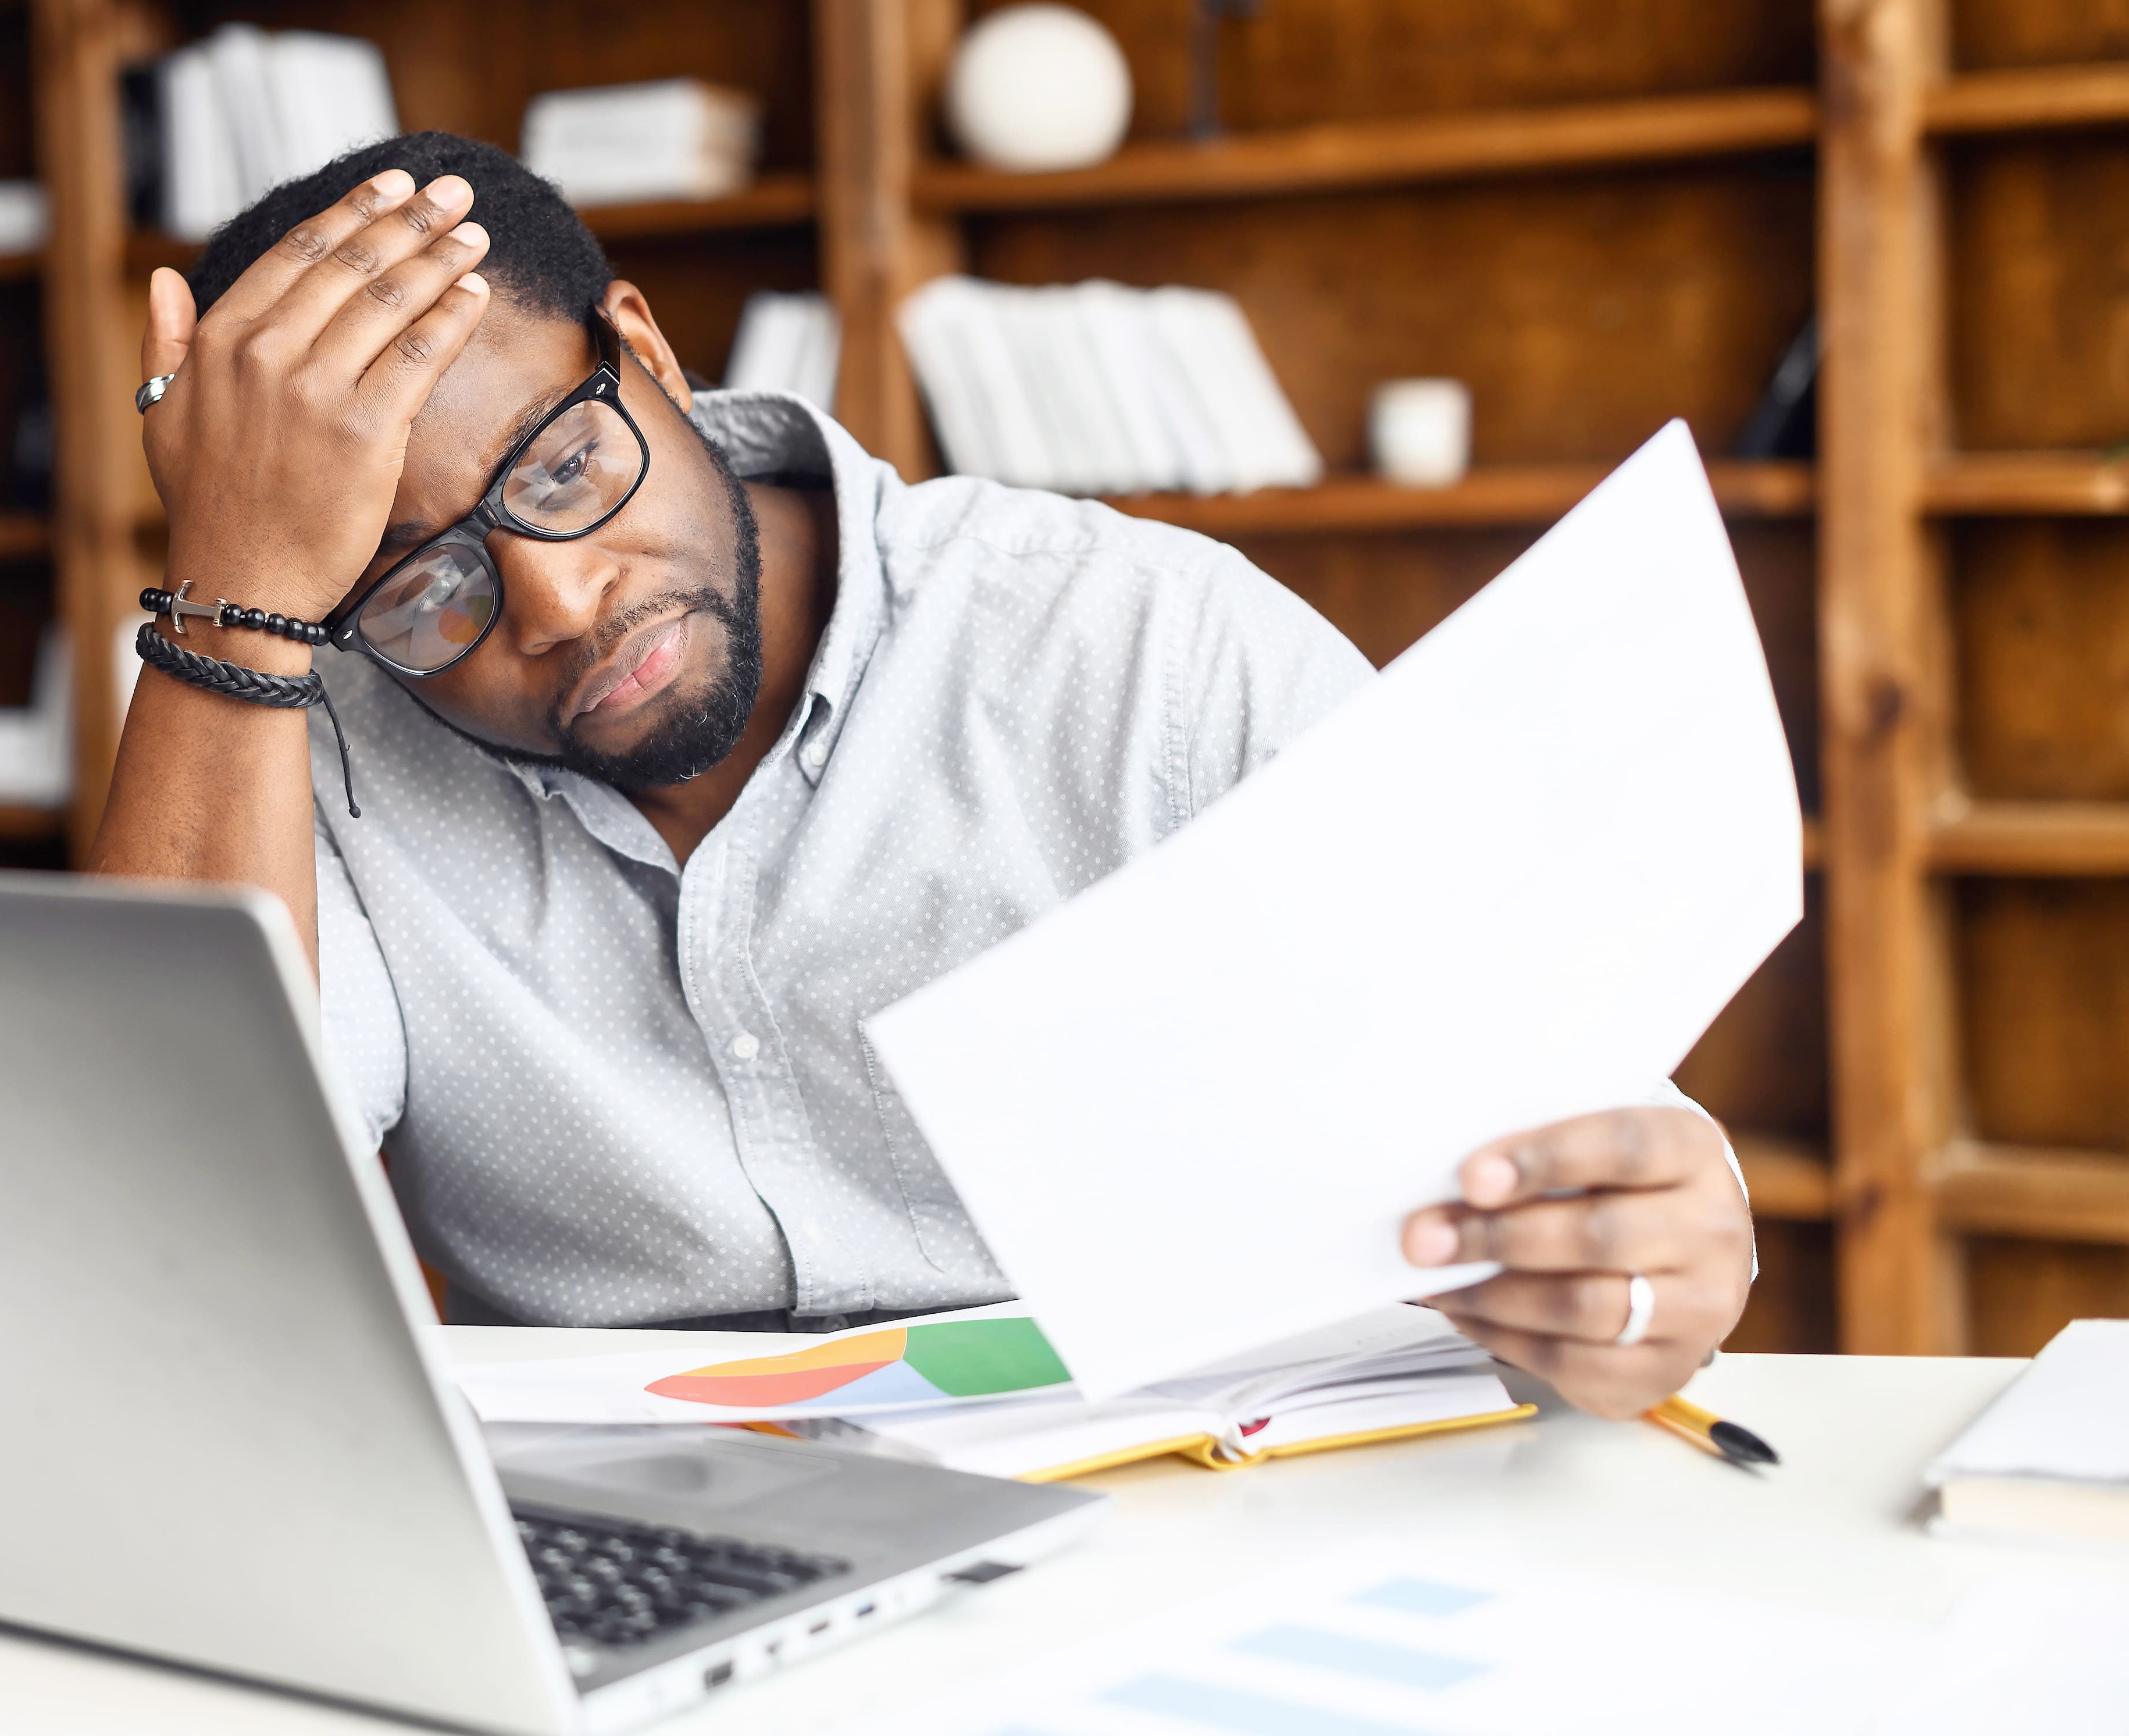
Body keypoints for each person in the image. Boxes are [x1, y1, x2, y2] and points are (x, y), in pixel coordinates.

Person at [91, 131, 1755, 1420]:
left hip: (1179, 1536)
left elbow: (1567, 1118)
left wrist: (1642, 1262)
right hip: (655, 1592)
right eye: (417, 583)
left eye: (564, 464)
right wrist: (234, 599)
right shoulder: (278, 720)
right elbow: (162, 1236)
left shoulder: (1136, 646)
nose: (554, 600)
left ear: (647, 352)